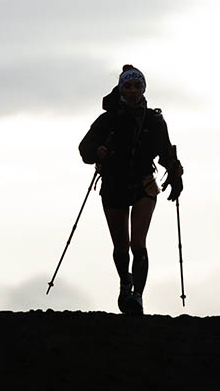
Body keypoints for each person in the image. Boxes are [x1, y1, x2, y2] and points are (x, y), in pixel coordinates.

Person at [78, 64, 184, 315]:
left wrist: (175, 173)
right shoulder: (108, 120)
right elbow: (84, 150)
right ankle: (126, 283)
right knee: (120, 246)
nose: (134, 90)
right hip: (114, 184)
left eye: (137, 85)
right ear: (121, 89)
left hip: (144, 184)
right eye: (128, 86)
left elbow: (164, 151)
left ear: (144, 88)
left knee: (138, 243)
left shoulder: (155, 120)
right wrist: (97, 152)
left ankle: (137, 296)